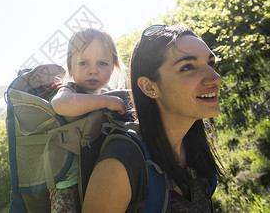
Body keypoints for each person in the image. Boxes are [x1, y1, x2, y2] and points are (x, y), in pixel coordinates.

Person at [83, 24, 224, 212]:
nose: (215, 78)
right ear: (149, 87)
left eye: (210, 63)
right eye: (187, 67)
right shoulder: (121, 166)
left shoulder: (195, 146)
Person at [49, 28, 130, 213]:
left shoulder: (108, 92)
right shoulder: (70, 89)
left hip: (99, 170)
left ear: (112, 67)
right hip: (68, 180)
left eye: (102, 63)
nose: (93, 70)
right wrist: (106, 101)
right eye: (83, 63)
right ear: (71, 67)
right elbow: (60, 104)